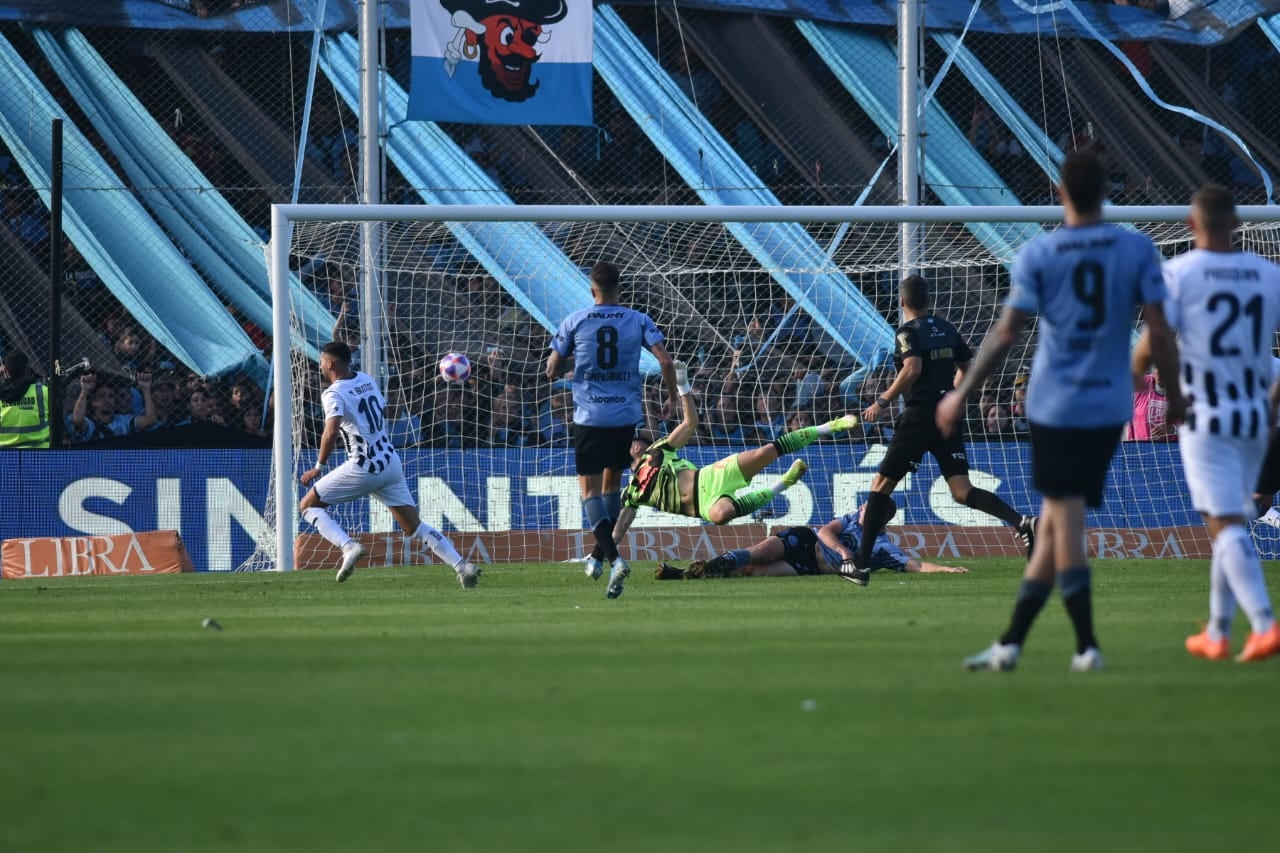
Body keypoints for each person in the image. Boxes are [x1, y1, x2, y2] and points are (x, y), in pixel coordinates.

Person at [936, 150, 1185, 673]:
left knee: (1064, 522)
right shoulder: (1137, 249)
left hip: (1055, 403)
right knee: (1053, 522)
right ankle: (1010, 644)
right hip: (1110, 404)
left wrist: (962, 393)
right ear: (1106, 192)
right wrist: (1178, 396)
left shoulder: (1040, 254)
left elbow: (1007, 332)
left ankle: (1086, 644)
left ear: (1060, 192)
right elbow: (1159, 333)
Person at [1135, 185, 1280, 662]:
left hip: (1207, 413)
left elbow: (1156, 336)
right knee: (1230, 519)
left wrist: (1137, 382)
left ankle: (1263, 624)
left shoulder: (1178, 273)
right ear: (1237, 224)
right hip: (1256, 415)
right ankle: (1217, 632)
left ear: (1191, 225)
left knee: (1225, 523)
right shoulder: (1268, 274)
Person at [845, 274, 1037, 587]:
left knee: (880, 485)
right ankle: (1022, 523)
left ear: (902, 302)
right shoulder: (947, 329)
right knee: (962, 491)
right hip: (947, 417)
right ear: (929, 300)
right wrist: (954, 397)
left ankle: (861, 566)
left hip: (920, 416)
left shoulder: (906, 332)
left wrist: (882, 401)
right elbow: (969, 368)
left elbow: (913, 368)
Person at [608, 376, 859, 598]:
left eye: (633, 441)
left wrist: (683, 384)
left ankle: (829, 426)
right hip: (703, 506)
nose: (633, 445)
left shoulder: (658, 451)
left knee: (766, 451)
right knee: (721, 515)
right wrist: (602, 552)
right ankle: (782, 485)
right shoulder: (631, 493)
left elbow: (691, 422)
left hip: (711, 477)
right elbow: (620, 527)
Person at [299, 341, 480, 587]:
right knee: (414, 526)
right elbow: (382, 412)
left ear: (330, 364)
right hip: (389, 461)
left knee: (308, 506)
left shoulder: (332, 393)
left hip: (363, 466)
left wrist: (318, 467)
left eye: (321, 361)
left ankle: (348, 546)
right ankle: (462, 566)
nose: (319, 365)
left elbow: (330, 432)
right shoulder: (366, 379)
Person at [545, 261, 678, 596]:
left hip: (589, 419)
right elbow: (664, 359)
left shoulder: (575, 320)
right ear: (621, 289)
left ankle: (615, 558)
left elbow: (551, 368)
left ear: (592, 290)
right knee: (611, 488)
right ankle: (597, 557)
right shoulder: (638, 319)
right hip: (624, 418)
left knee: (589, 494)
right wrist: (671, 396)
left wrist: (564, 367)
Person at [655, 503, 968, 579]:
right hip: (803, 540)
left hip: (808, 567)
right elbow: (824, 531)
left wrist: (946, 570)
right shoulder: (850, 520)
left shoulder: (882, 547)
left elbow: (914, 563)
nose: (860, 508)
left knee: (753, 572)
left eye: (866, 507)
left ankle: (686, 574)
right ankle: (695, 570)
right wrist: (845, 552)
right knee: (758, 552)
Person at [68, 371, 158, 442]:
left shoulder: (124, 421)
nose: (107, 400)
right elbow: (77, 420)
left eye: (111, 396)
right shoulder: (89, 423)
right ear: (93, 402)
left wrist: (146, 389)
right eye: (102, 396)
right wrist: (85, 390)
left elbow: (150, 420)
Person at [0, 351, 51, 448]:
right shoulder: (43, 391)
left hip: (5, 456)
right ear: (28, 370)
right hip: (40, 454)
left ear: (5, 371)